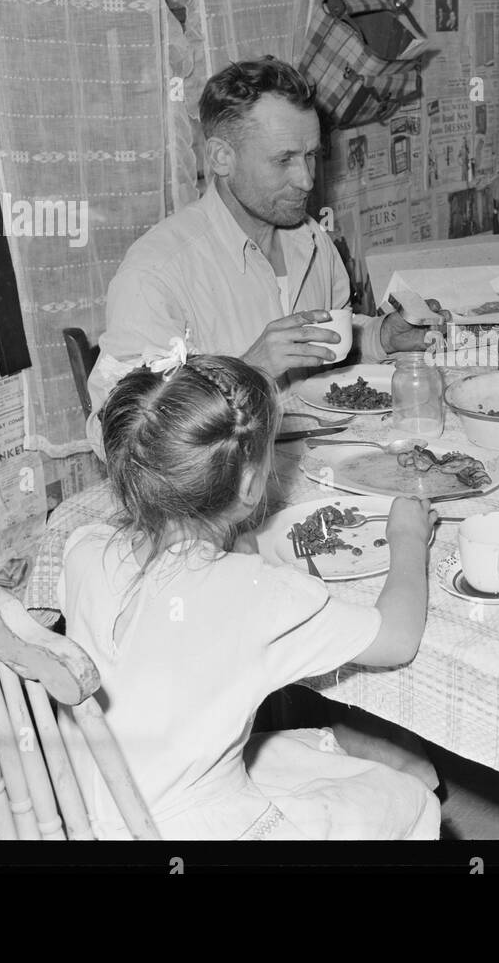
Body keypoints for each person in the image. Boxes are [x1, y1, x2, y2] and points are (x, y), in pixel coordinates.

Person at [60, 352, 441, 840]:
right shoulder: (257, 594)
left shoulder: (83, 548)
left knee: (314, 758)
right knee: (405, 798)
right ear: (247, 484)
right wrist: (407, 539)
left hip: (96, 810)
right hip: (195, 833)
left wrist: (236, 548)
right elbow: (397, 638)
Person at [86, 57, 444, 454]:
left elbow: (327, 349)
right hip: (226, 500)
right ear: (222, 157)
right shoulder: (155, 273)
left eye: (311, 155)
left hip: (323, 463)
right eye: (283, 160)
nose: (306, 179)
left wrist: (379, 336)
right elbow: (119, 439)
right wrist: (249, 371)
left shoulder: (311, 239)